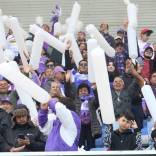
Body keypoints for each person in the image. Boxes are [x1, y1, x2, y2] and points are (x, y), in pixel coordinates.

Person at [74, 83, 101, 151]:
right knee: (80, 145)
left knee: (91, 144)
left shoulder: (92, 100)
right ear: (78, 93)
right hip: (80, 126)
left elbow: (98, 101)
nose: (83, 92)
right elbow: (68, 92)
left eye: (85, 90)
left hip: (90, 126)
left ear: (88, 92)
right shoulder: (76, 101)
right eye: (81, 91)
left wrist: (95, 90)